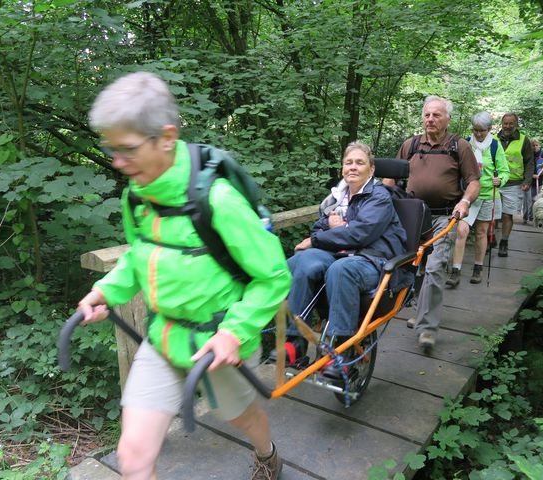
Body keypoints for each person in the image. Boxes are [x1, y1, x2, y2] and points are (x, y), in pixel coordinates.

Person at [77, 72, 291, 480]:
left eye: (127, 149)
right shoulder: (137, 197)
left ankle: (267, 454)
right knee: (134, 457)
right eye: (111, 149)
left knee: (242, 420)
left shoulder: (218, 199)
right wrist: (106, 290)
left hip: (219, 344)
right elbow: (140, 256)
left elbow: (274, 277)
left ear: (167, 137)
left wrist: (233, 332)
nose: (117, 163)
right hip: (162, 338)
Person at [281, 142, 408, 377]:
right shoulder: (338, 197)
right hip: (340, 255)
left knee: (341, 269)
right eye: (348, 163)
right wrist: (326, 231)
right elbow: (318, 227)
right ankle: (294, 344)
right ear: (342, 169)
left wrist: (321, 237)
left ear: (371, 169)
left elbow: (361, 234)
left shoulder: (379, 196)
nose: (353, 167)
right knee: (302, 262)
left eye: (360, 163)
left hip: (373, 260)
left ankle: (343, 352)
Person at [385, 96, 480, 350]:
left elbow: (473, 181)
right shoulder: (411, 145)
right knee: (414, 264)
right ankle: (420, 308)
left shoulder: (459, 146)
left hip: (444, 216)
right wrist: (380, 202)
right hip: (412, 214)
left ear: (447, 119)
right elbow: (391, 179)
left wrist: (465, 203)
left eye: (437, 115)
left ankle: (427, 328)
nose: (430, 119)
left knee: (435, 267)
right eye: (427, 115)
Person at [446, 112, 509, 287]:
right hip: (468, 195)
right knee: (461, 231)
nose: (478, 134)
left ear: (489, 129)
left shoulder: (495, 146)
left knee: (481, 233)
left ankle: (478, 268)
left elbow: (504, 171)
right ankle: (455, 270)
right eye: (475, 130)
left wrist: (500, 180)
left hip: (488, 195)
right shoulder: (465, 144)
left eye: (482, 130)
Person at [496, 113, 534, 256]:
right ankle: (489, 239)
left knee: (507, 215)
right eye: (505, 123)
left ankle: (504, 242)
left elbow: (529, 162)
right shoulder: (493, 139)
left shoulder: (524, 140)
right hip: (495, 183)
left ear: (516, 124)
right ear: (501, 123)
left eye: (511, 123)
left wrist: (527, 181)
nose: (508, 126)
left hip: (513, 183)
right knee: (491, 214)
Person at [521, 138, 543, 224]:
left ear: (539, 145)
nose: (534, 147)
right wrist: (531, 175)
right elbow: (522, 167)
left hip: (538, 181)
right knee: (527, 200)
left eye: (536, 145)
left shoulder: (542, 154)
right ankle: (525, 218)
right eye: (533, 145)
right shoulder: (527, 154)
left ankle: (532, 217)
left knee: (535, 200)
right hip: (528, 181)